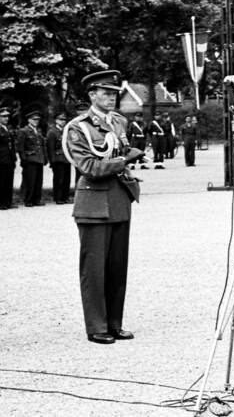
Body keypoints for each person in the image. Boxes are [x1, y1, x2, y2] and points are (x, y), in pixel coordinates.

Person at [63, 70, 143, 344]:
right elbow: (89, 166)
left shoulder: (119, 122)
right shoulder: (79, 127)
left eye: (114, 93)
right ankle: (96, 326)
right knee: (94, 269)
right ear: (92, 95)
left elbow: (125, 150)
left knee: (117, 267)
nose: (111, 97)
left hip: (120, 198)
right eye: (105, 93)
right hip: (94, 202)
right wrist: (123, 162)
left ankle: (114, 322)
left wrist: (126, 160)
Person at [17, 108, 46, 206]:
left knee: (38, 180)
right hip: (30, 159)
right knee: (30, 181)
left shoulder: (38, 131)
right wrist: (23, 159)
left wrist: (44, 158)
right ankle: (28, 200)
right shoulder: (24, 131)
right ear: (29, 120)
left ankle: (36, 199)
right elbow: (21, 147)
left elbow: (42, 145)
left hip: (39, 158)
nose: (36, 121)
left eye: (37, 120)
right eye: (34, 119)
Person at [46, 112, 72, 204]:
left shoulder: (66, 131)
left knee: (66, 179)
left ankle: (65, 197)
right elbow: (50, 148)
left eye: (64, 120)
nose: (63, 122)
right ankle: (58, 197)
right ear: (56, 120)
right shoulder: (52, 132)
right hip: (57, 159)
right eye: (61, 120)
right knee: (59, 179)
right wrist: (52, 161)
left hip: (66, 158)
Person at [0, 107, 16, 210]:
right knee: (1, 182)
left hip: (9, 159)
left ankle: (8, 201)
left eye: (7, 116)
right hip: (1, 160)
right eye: (3, 116)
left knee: (9, 181)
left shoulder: (8, 128)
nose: (6, 118)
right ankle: (1, 203)